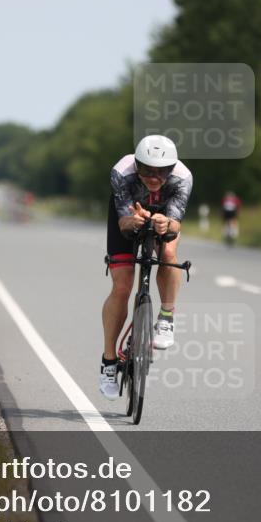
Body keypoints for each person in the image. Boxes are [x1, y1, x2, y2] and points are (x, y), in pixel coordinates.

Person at [100, 135, 192, 400]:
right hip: (129, 214)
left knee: (169, 253)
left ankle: (166, 318)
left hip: (165, 212)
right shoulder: (122, 172)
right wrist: (134, 220)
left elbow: (176, 225)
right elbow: (123, 224)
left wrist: (166, 224)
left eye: (162, 171)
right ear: (136, 164)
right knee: (122, 285)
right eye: (147, 170)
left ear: (172, 169)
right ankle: (108, 361)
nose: (154, 177)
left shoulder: (183, 178)